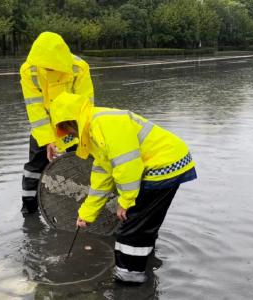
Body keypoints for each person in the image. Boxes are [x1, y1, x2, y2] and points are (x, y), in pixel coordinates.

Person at [49, 92, 197, 283]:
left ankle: (129, 279)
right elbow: (102, 177)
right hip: (155, 166)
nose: (68, 135)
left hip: (164, 165)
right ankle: (144, 259)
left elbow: (128, 166)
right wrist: (86, 213)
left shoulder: (105, 124)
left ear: (71, 122)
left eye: (66, 130)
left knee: (130, 229)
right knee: (142, 223)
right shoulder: (92, 133)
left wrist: (126, 202)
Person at [19, 32, 94, 215]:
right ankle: (29, 208)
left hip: (72, 126)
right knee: (34, 169)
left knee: (80, 166)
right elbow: (35, 109)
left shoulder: (78, 68)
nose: (49, 70)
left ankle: (83, 208)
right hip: (43, 126)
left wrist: (69, 135)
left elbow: (85, 105)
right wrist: (47, 140)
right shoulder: (30, 70)